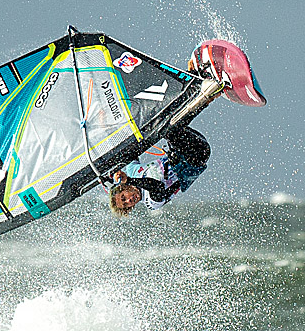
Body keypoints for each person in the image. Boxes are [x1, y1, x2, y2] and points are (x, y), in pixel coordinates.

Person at [108, 40, 264, 217]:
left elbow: (128, 152)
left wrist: (111, 167)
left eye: (124, 197)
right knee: (168, 128)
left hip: (179, 149)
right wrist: (130, 180)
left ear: (121, 189)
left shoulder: (130, 171)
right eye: (127, 204)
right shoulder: (152, 202)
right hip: (195, 157)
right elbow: (156, 186)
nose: (130, 200)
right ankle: (209, 88)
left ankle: (203, 83)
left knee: (168, 122)